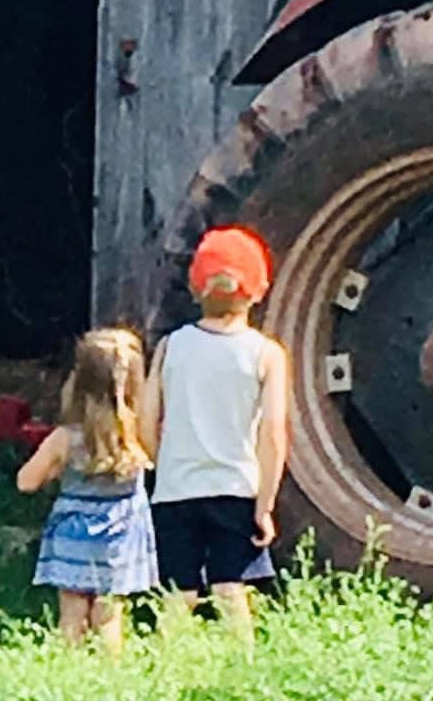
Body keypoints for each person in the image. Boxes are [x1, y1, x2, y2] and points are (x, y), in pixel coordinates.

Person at [139, 224, 290, 640]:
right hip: (235, 487)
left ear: (194, 289)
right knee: (229, 586)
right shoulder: (267, 354)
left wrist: (162, 464)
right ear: (259, 291)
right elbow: (273, 433)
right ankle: (244, 665)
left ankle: (169, 666)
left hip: (176, 488)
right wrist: (264, 505)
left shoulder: (171, 346)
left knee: (179, 592)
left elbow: (146, 419)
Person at [16, 327, 158, 653]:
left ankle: (72, 670)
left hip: (73, 535)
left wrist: (54, 468)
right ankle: (109, 674)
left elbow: (26, 482)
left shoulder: (65, 437)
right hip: (120, 537)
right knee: (109, 615)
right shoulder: (139, 435)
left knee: (73, 612)